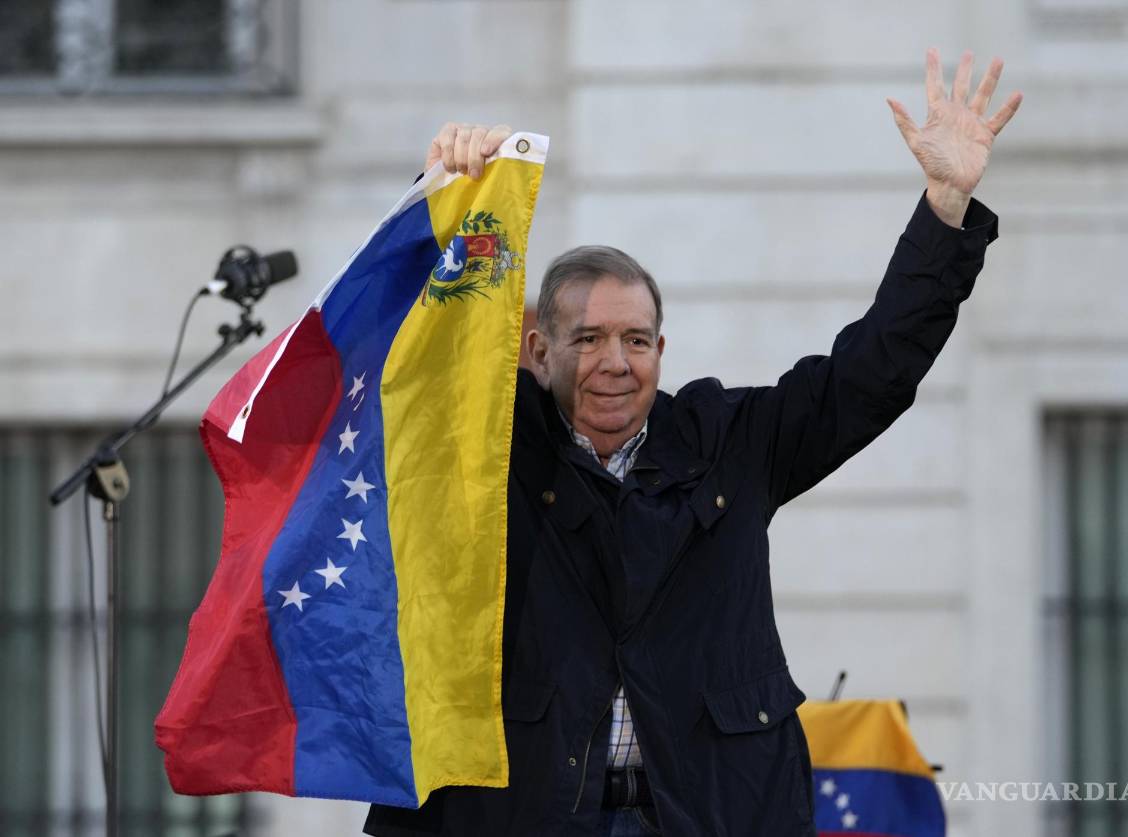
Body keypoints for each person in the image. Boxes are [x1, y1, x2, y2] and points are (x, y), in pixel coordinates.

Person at [364, 48, 1021, 837]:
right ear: (537, 351)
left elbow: (870, 373)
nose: (616, 361)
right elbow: (417, 358)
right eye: (590, 338)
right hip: (528, 812)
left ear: (661, 353)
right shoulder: (491, 447)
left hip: (708, 811)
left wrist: (945, 205)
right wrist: (450, 201)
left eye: (637, 339)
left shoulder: (730, 442)